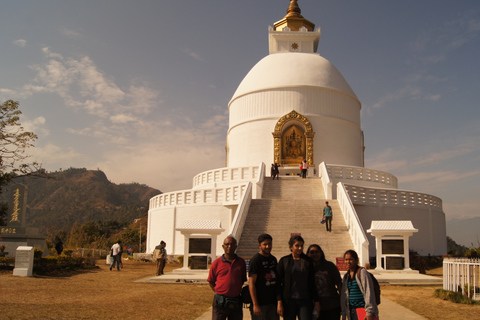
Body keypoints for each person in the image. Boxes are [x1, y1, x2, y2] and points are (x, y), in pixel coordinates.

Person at [276, 235, 320, 320]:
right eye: (297, 246)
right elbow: (278, 283)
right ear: (291, 247)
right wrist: (279, 302)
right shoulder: (284, 261)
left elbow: (312, 283)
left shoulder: (307, 261)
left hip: (305, 300)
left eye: (301, 245)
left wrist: (316, 302)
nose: (300, 248)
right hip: (289, 301)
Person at [208, 235, 247, 320]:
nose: (229, 246)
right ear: (223, 246)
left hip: (236, 300)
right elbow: (211, 281)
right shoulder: (216, 263)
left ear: (236, 246)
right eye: (227, 244)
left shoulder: (241, 262)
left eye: (232, 244)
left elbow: (242, 280)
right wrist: (218, 292)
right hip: (220, 301)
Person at [340, 250, 378, 320]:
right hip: (351, 310)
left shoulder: (362, 273)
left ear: (356, 260)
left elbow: (368, 292)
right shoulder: (346, 276)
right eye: (346, 260)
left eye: (350, 259)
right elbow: (344, 295)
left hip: (362, 310)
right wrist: (344, 313)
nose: (348, 262)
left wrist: (369, 312)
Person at [307, 244, 342, 320]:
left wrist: (342, 301)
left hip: (332, 305)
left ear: (321, 253)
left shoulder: (329, 266)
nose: (314, 254)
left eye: (317, 252)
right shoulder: (306, 268)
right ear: (308, 254)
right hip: (315, 307)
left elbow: (339, 284)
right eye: (312, 252)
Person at [249, 234, 279, 320]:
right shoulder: (255, 260)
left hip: (272, 303)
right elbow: (251, 283)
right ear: (259, 245)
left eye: (269, 244)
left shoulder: (273, 259)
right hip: (260, 303)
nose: (268, 246)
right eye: (265, 244)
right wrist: (255, 304)